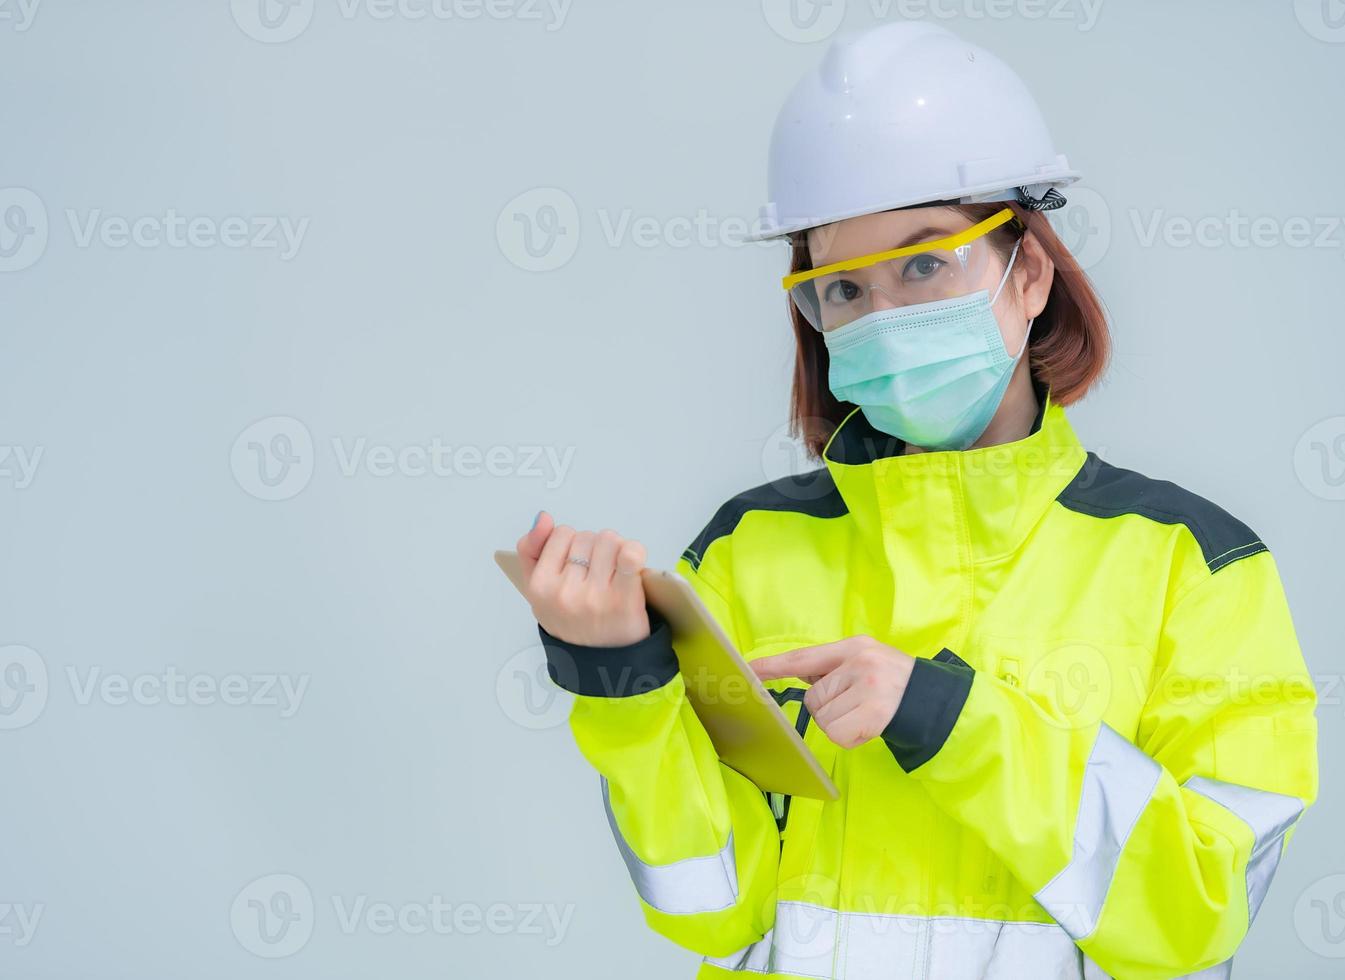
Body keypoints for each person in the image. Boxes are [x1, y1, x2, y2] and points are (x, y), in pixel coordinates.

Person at [515, 22, 1317, 980]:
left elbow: (1196, 912)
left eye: (926, 263)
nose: (883, 318)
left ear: (1029, 272)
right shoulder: (745, 550)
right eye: (843, 287)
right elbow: (709, 911)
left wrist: (949, 719)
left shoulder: (1194, 564)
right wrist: (622, 679)